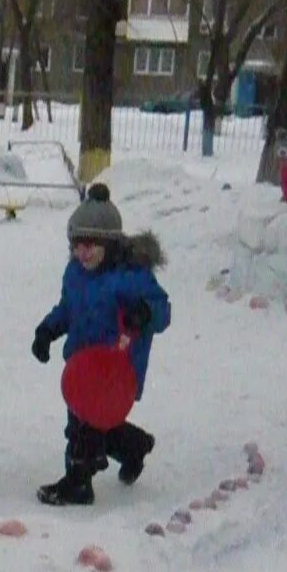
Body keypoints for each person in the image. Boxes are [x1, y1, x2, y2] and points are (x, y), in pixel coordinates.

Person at [31, 183, 170, 506]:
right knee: (93, 421)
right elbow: (67, 308)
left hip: (115, 367)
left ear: (109, 242)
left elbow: (163, 310)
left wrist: (145, 312)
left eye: (91, 245)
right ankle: (133, 446)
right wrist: (47, 331)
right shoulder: (75, 273)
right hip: (82, 362)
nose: (83, 252)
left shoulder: (130, 276)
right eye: (77, 245)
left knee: (84, 425)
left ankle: (78, 483)